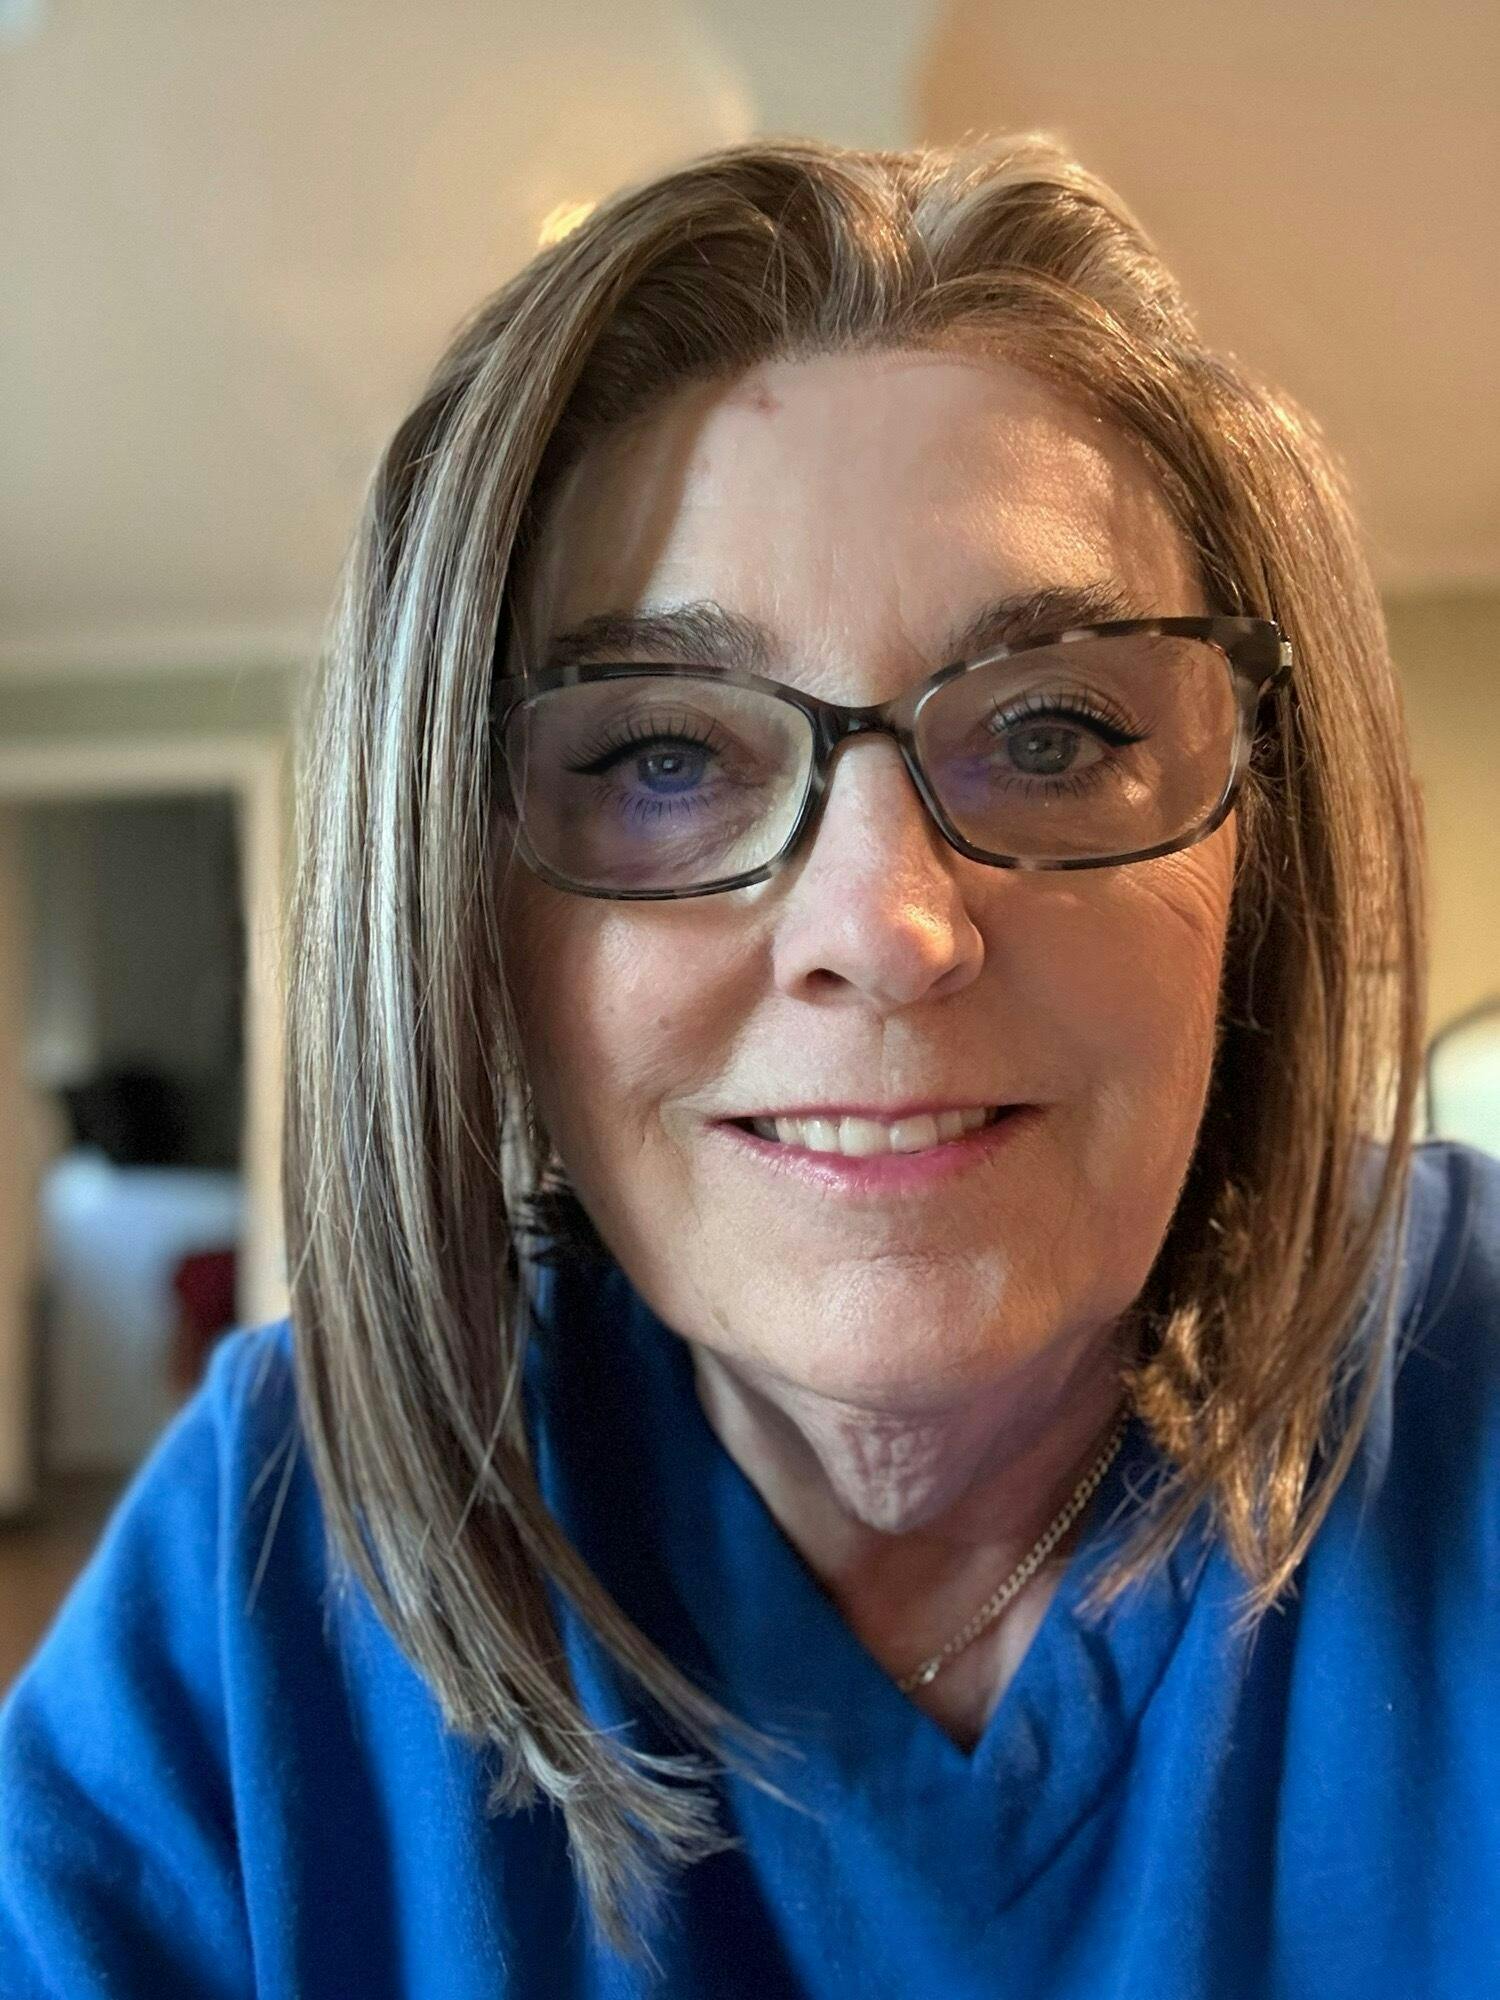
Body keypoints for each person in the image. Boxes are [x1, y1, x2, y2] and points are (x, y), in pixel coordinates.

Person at [1, 132, 1496, 1999]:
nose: (885, 926)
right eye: (661, 760)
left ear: (1255, 858)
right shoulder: (263, 1569)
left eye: (1052, 729)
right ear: (465, 915)